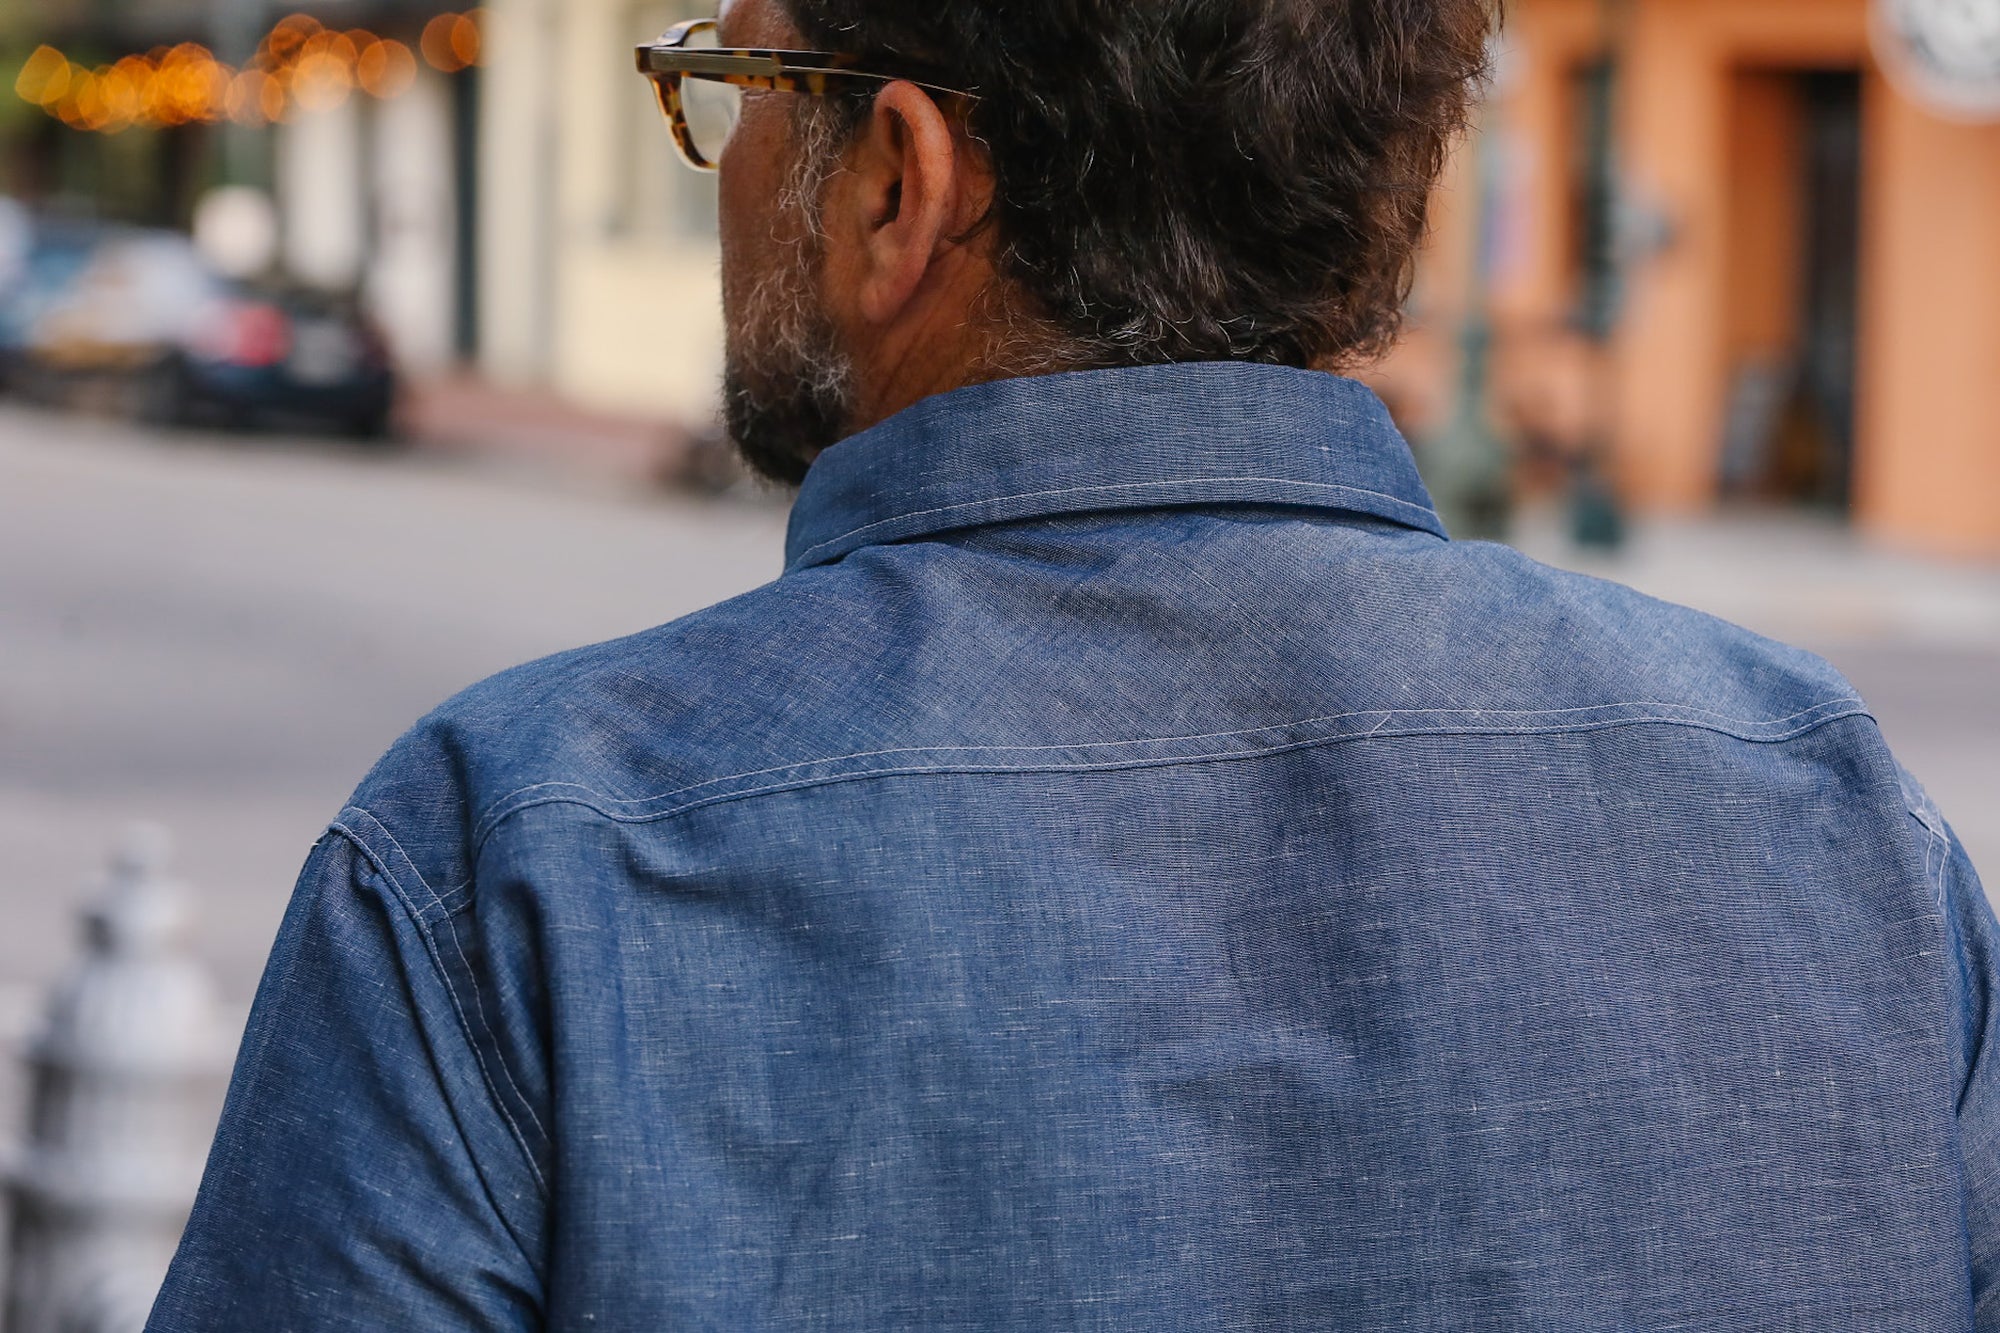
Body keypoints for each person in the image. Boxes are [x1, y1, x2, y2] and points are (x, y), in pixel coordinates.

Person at [151, 0, 1999, 1327]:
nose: (730, 167)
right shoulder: (1832, 818)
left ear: (900, 184)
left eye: (736, 83)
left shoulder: (513, 855)